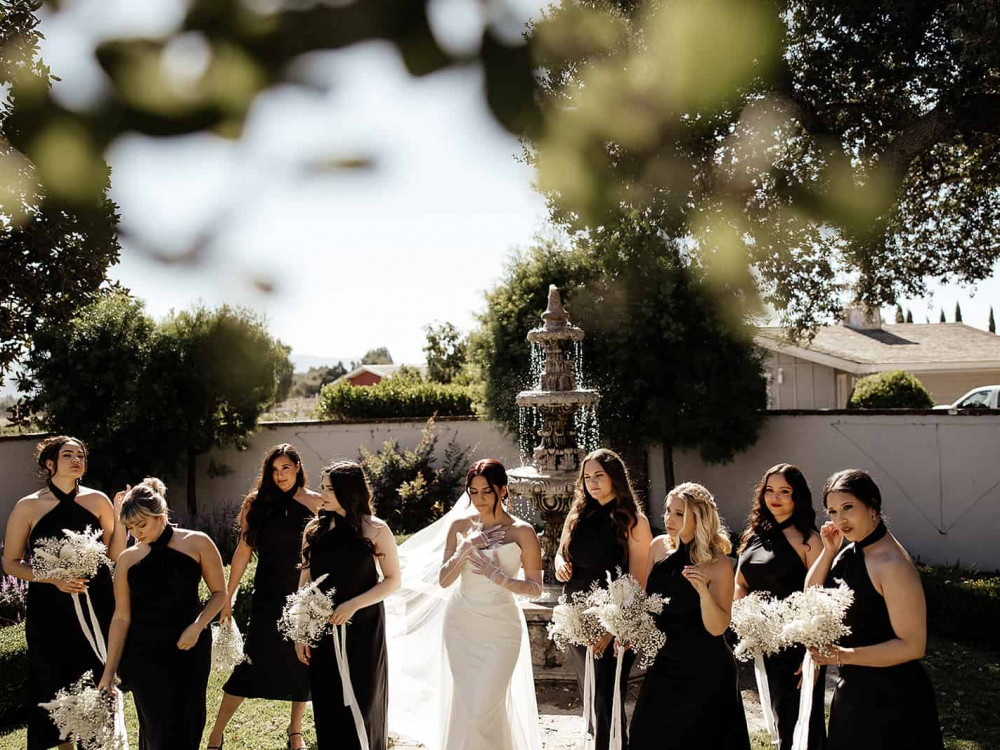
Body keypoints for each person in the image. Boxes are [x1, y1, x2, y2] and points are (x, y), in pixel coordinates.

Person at [805, 469, 944, 750]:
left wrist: (843, 654)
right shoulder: (850, 550)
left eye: (847, 508)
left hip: (894, 700)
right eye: (832, 512)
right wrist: (828, 552)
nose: (839, 520)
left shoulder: (892, 563)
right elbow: (811, 596)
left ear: (872, 507)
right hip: (853, 689)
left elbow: (913, 646)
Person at [2, 436, 126, 750]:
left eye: (81, 455)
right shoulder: (28, 506)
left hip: (97, 604)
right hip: (50, 609)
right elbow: (11, 563)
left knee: (95, 677)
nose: (76, 459)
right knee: (54, 679)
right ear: (49, 463)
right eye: (67, 454)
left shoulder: (98, 501)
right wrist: (51, 577)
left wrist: (120, 513)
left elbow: (115, 553)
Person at [98, 478, 227, 750]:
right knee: (159, 734)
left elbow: (219, 594)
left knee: (188, 728)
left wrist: (197, 626)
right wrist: (109, 672)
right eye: (130, 527)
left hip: (189, 651)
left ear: (162, 515)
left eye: (141, 525)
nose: (136, 533)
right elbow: (121, 617)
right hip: (144, 657)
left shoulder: (197, 542)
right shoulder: (127, 560)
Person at [207, 444, 320, 750]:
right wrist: (227, 596)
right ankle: (216, 733)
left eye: (286, 468)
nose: (280, 475)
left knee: (303, 663)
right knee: (250, 663)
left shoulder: (315, 503)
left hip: (303, 594)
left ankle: (295, 732)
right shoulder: (256, 503)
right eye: (274, 469)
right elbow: (244, 550)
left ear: (297, 467)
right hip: (267, 594)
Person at [628, 482, 751, 750]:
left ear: (700, 518)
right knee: (646, 736)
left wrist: (703, 594)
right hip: (665, 664)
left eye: (679, 514)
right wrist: (627, 629)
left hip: (706, 670)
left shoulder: (717, 564)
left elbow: (718, 627)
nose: (669, 519)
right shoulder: (659, 547)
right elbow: (648, 602)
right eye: (668, 511)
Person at [437, 459, 545, 750]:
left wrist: (498, 577)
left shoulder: (522, 532)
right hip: (461, 624)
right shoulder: (459, 526)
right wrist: (466, 548)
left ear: (503, 490)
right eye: (473, 492)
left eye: (486, 492)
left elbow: (536, 588)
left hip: (501, 629)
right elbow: (444, 581)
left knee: (485, 706)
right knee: (468, 706)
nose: (479, 499)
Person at [293, 461, 400, 750]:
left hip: (364, 628)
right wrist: (301, 632)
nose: (322, 493)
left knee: (364, 701)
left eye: (329, 488)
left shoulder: (376, 529)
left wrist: (353, 605)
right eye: (323, 486)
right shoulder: (314, 529)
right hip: (322, 630)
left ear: (347, 491)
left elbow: (392, 581)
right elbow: (305, 583)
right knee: (328, 705)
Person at [553, 449, 652, 750]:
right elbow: (561, 553)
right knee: (594, 697)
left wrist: (615, 628)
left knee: (608, 699)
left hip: (613, 622)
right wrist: (559, 565)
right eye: (587, 477)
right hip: (578, 619)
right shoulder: (577, 514)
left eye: (599, 476)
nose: (592, 483)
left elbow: (639, 581)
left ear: (615, 478)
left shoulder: (634, 521)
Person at [735, 464, 825, 750]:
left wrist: (813, 653)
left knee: (799, 726)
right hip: (764, 643)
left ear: (797, 496)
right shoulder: (752, 536)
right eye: (769, 490)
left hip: (798, 648)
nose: (775, 497)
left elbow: (820, 600)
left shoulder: (810, 541)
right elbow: (740, 583)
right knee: (776, 717)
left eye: (784, 491)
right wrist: (744, 618)